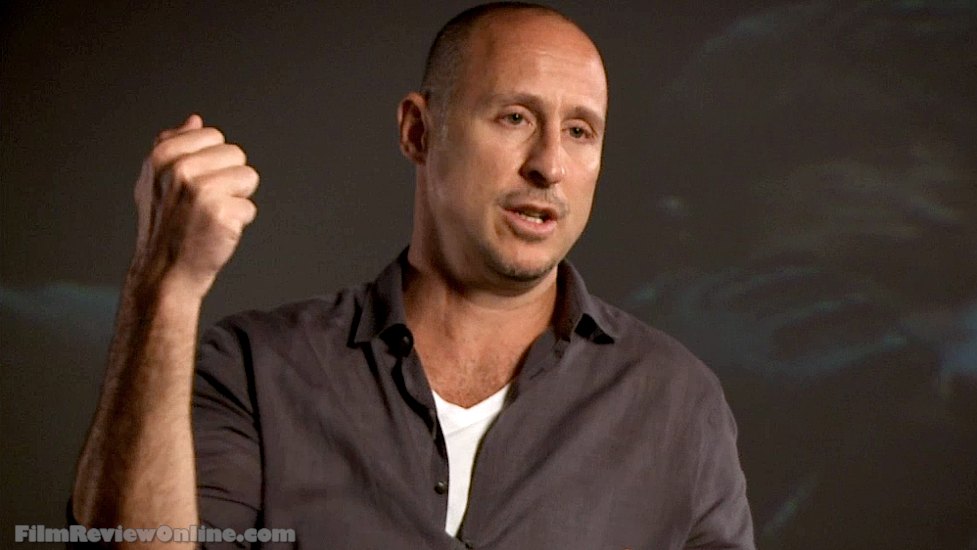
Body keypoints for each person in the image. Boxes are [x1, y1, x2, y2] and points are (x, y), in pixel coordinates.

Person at [71, 3, 754, 548]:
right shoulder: (256, 369)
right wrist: (165, 288)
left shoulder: (679, 404)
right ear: (418, 132)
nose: (549, 165)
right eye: (515, 117)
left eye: (580, 131)